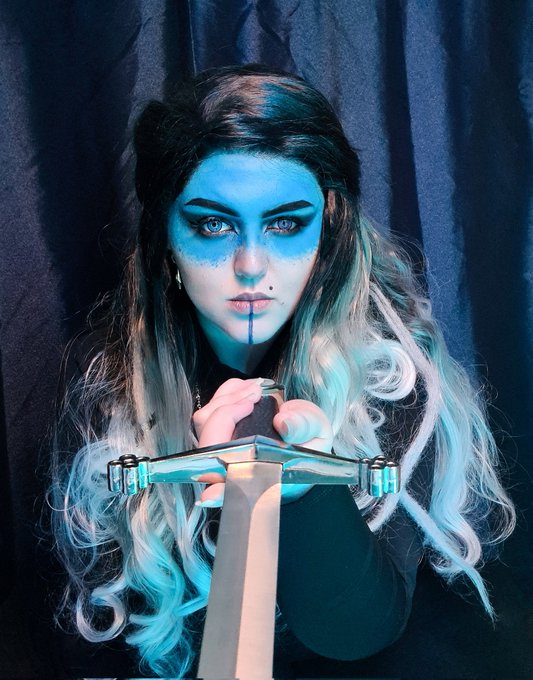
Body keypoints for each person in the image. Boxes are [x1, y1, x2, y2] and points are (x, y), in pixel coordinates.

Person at [49, 64, 515, 678]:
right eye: (213, 224)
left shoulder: (389, 374)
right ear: (166, 237)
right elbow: (122, 626)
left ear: (327, 231)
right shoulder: (111, 383)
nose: (250, 264)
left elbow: (358, 631)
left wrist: (304, 488)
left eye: (286, 224)